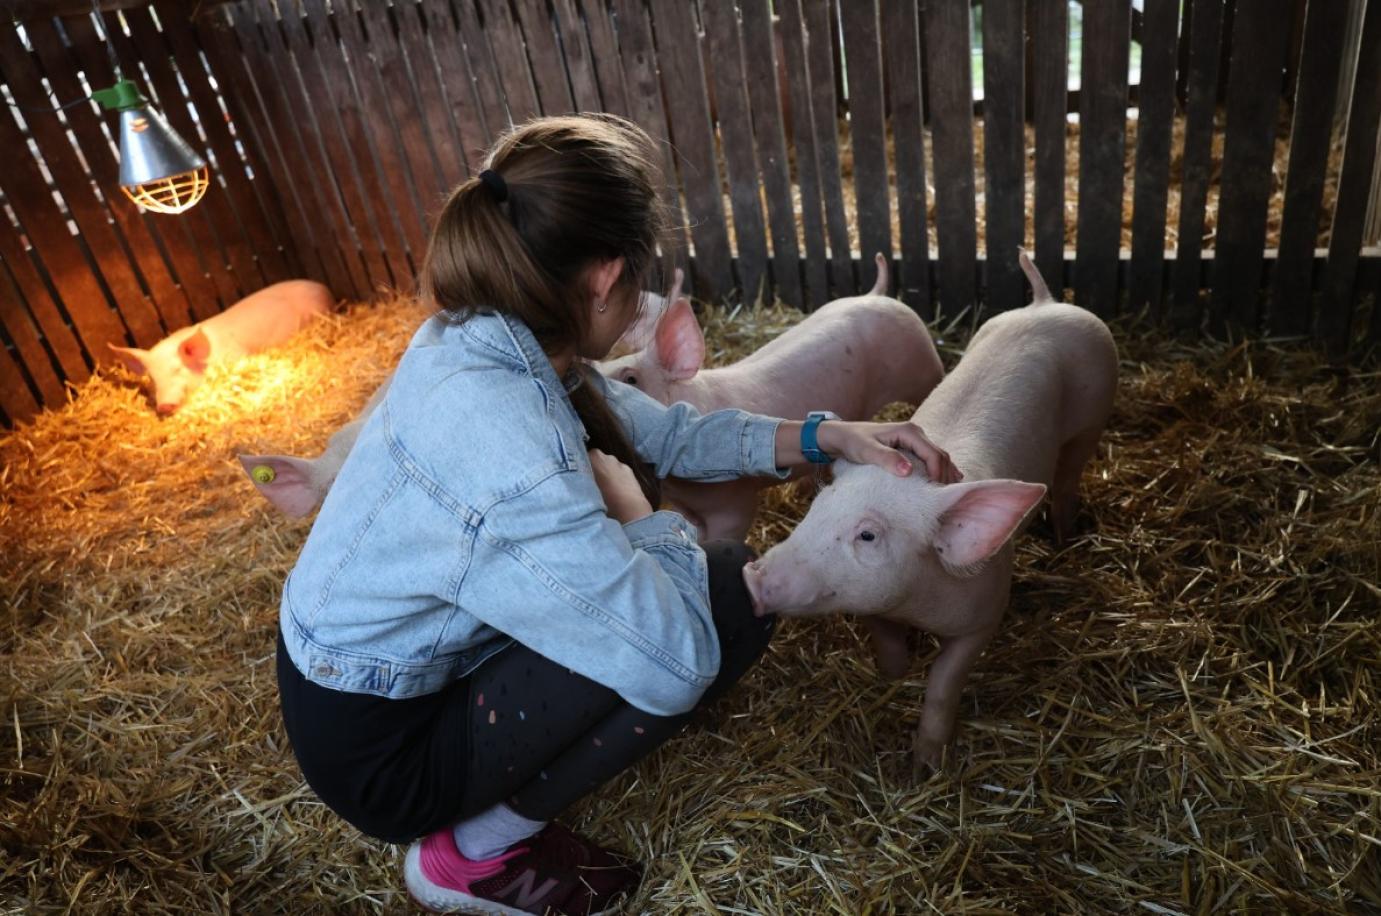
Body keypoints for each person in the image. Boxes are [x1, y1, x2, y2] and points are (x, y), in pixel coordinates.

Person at [275, 114, 960, 915]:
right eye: (636, 280)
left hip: (349, 684)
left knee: (703, 579)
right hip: (387, 751)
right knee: (725, 602)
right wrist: (643, 521)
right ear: (604, 279)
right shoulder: (520, 446)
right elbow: (672, 664)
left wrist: (824, 433)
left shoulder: (481, 339)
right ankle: (469, 852)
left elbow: (668, 430)